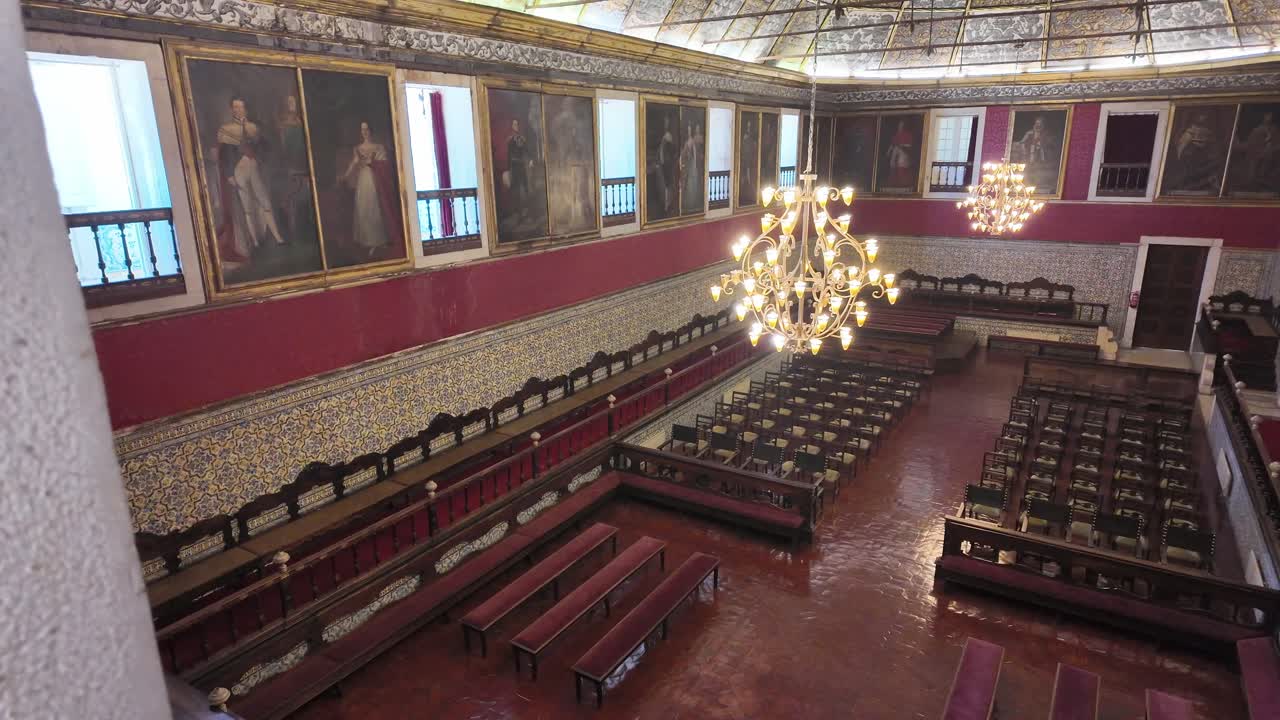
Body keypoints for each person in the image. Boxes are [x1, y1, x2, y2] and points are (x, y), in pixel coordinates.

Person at [213, 96, 286, 262]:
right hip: (239, 169)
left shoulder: (254, 127)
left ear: (246, 109)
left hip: (254, 166)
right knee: (247, 206)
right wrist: (229, 174)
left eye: (240, 107)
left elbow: (265, 148)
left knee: (264, 201)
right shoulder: (226, 129)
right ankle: (254, 242)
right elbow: (224, 155)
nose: (237, 110)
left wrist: (260, 157)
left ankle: (278, 237)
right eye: (235, 107)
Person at [342, 120, 400, 257]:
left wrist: (373, 163)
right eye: (362, 130)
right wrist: (344, 176)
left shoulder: (379, 147)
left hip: (375, 179)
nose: (365, 132)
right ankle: (368, 241)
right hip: (363, 180)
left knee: (375, 207)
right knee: (364, 208)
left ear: (371, 130)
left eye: (367, 129)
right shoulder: (357, 148)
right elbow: (354, 163)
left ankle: (379, 240)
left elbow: (385, 163)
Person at [506, 118, 531, 211]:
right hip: (514, 167)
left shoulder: (522, 139)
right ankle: (518, 212)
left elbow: (527, 150)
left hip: (522, 165)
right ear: (512, 126)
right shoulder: (510, 140)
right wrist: (508, 170)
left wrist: (531, 160)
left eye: (517, 124)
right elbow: (508, 155)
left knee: (525, 187)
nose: (516, 126)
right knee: (516, 190)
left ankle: (529, 210)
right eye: (514, 124)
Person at [679, 120, 703, 213]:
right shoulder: (688, 142)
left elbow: (697, 154)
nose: (689, 132)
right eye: (688, 131)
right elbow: (684, 155)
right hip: (690, 167)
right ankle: (689, 205)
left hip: (694, 166)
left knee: (694, 184)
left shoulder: (693, 141)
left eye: (690, 130)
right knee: (690, 185)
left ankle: (694, 204)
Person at [885, 119, 915, 187]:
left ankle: (902, 183)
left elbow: (909, 146)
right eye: (899, 125)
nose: (900, 127)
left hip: (904, 152)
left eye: (902, 125)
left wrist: (901, 146)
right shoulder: (896, 135)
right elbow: (892, 144)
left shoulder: (908, 135)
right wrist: (888, 152)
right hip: (896, 151)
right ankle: (893, 183)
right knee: (892, 165)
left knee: (901, 164)